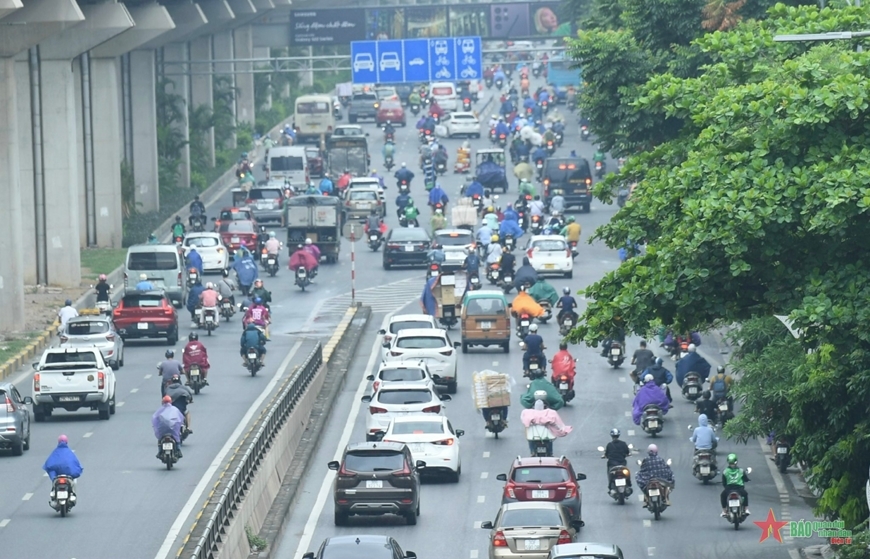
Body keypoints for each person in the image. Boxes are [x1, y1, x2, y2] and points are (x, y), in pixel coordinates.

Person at [44, 434, 83, 507]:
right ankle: (73, 493)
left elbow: (49, 464)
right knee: (74, 481)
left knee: (54, 482)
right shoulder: (69, 452)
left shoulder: (56, 452)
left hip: (58, 477)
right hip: (68, 475)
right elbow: (76, 464)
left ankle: (53, 493)